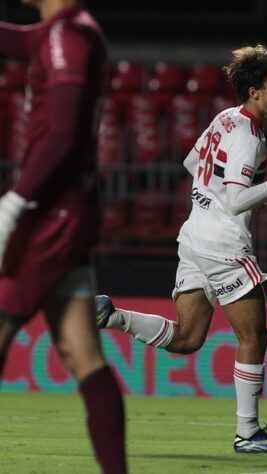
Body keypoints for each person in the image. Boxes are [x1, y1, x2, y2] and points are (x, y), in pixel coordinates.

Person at [96, 44, 267, 454]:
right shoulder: (250, 138)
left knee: (188, 338)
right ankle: (248, 433)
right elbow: (235, 200)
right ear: (254, 91)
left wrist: (226, 192)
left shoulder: (224, 118)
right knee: (254, 335)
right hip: (223, 245)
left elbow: (190, 163)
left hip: (193, 237)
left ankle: (112, 315)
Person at [0, 1, 127, 472]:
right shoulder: (67, 30)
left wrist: (15, 202)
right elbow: (13, 39)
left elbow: (62, 136)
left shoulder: (67, 35)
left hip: (49, 217)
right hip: (66, 212)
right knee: (82, 352)